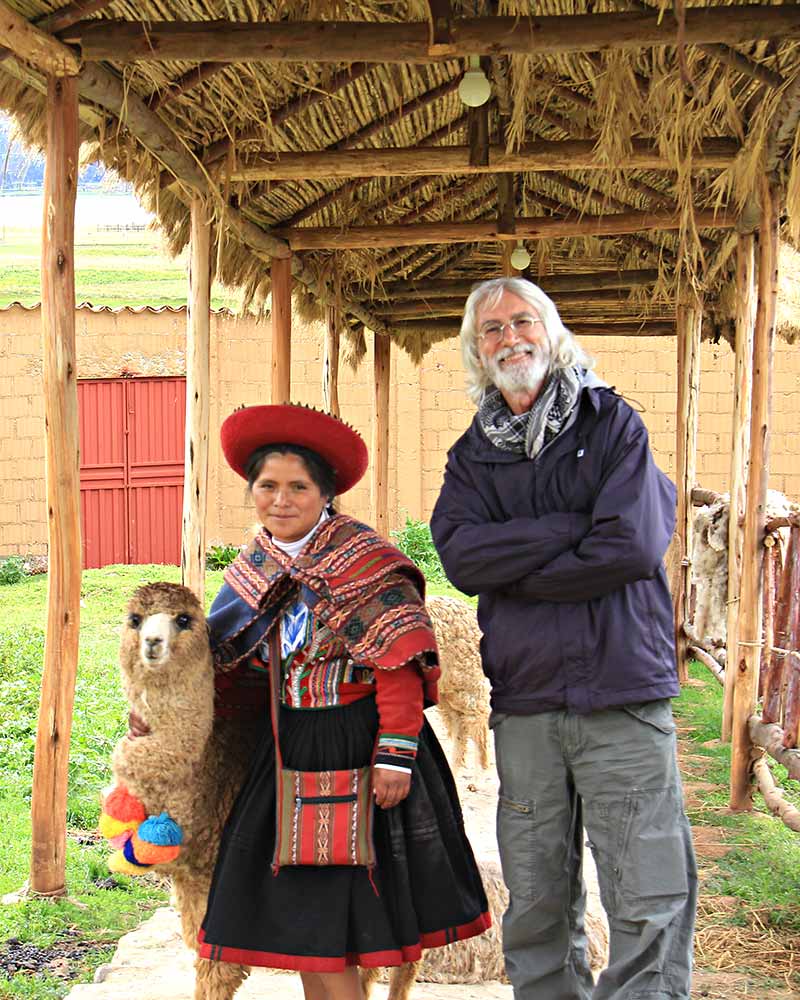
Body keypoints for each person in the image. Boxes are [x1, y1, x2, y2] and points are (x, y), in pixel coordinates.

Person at [142, 403, 489, 1000]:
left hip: (359, 751)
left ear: (325, 494)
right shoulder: (256, 566)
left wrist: (395, 755)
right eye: (267, 486)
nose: (280, 499)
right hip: (284, 758)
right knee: (307, 927)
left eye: (297, 486)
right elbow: (225, 662)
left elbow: (399, 668)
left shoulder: (366, 563)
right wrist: (165, 711)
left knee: (342, 922)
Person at [430, 278, 697, 1000]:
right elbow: (462, 559)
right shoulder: (472, 457)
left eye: (523, 322)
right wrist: (569, 528)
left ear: (552, 334)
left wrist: (516, 570)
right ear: (475, 351)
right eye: (491, 329)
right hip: (529, 702)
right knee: (538, 895)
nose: (509, 338)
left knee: (646, 891)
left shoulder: (613, 427)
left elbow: (632, 546)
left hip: (622, 694)